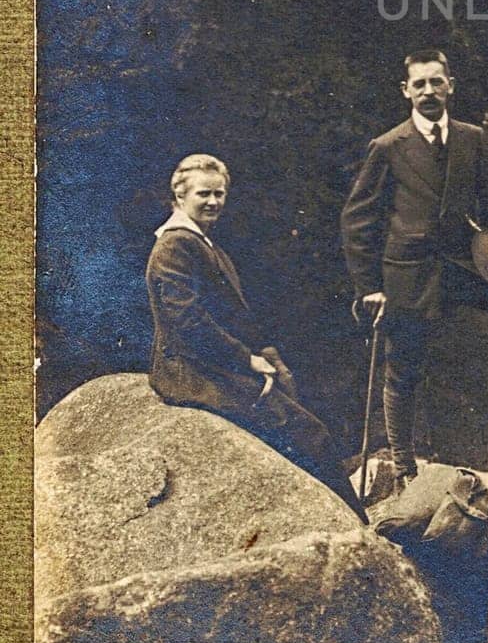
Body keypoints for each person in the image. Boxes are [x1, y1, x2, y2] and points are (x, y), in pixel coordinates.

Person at [340, 49, 488, 498]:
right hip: (410, 273)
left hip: (467, 265)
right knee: (402, 365)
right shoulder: (387, 148)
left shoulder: (471, 139)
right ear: (406, 91)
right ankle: (403, 465)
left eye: (436, 82)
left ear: (450, 86)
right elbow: (358, 222)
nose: (428, 92)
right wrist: (370, 289)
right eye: (419, 84)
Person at [145, 154, 367, 521]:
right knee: (309, 435)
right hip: (191, 371)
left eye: (219, 194)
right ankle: (354, 525)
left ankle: (347, 521)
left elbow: (234, 315)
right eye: (204, 194)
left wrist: (268, 354)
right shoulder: (175, 246)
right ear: (179, 196)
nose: (214, 202)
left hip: (213, 363)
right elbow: (185, 321)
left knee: (300, 415)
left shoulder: (203, 244)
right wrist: (246, 360)